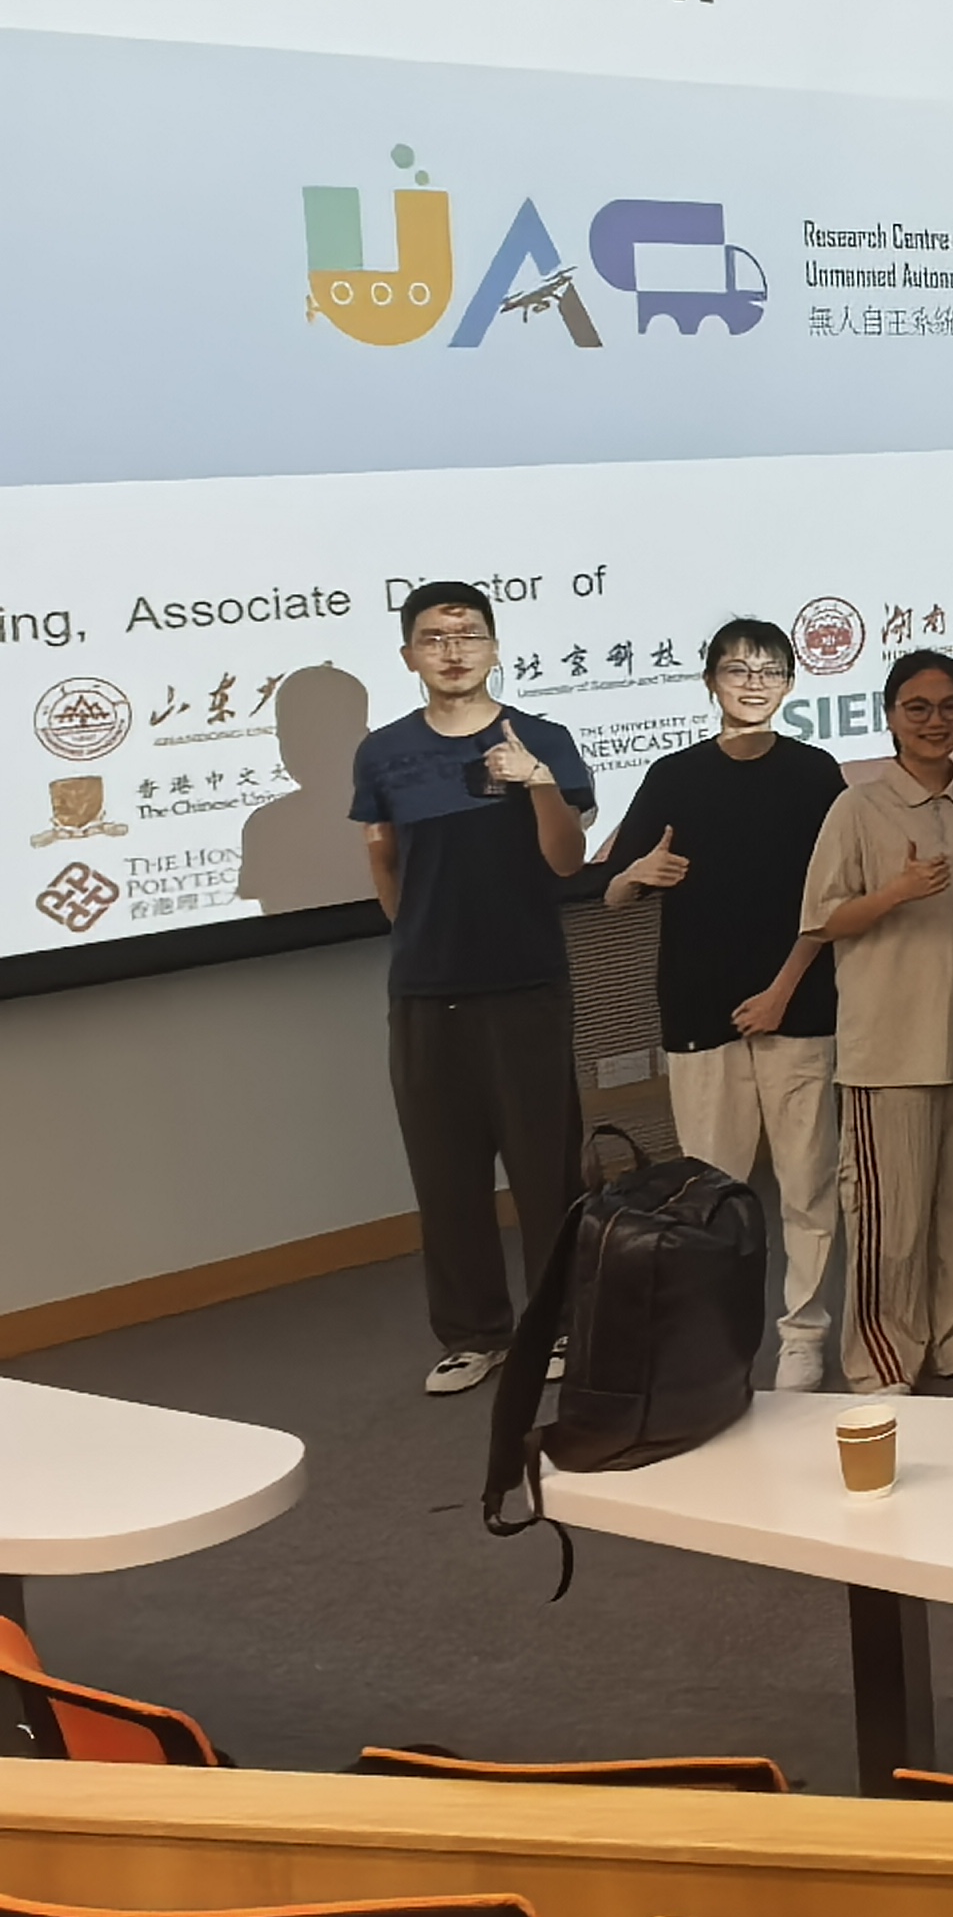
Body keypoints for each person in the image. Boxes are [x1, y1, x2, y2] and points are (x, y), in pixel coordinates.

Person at [351, 581, 594, 1396]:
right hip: (426, 992)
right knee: (445, 1173)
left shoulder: (543, 739)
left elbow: (567, 860)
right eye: (434, 637)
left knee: (547, 1171)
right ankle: (473, 1333)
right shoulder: (382, 753)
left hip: (526, 982)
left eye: (469, 635)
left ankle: (564, 1324)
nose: (453, 650)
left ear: (494, 648)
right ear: (408, 656)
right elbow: (384, 862)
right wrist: (422, 940)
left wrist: (537, 781)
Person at [598, 617, 847, 1389]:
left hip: (799, 1007)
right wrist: (637, 874)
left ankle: (803, 1333)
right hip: (700, 1012)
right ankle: (719, 1338)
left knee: (808, 1183)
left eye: (770, 670)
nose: (753, 683)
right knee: (711, 1193)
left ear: (791, 684)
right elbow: (612, 892)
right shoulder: (674, 775)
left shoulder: (815, 773)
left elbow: (835, 898)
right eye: (737, 669)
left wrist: (781, 992)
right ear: (710, 681)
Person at [801, 651, 953, 1394]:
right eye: (918, 708)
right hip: (891, 1047)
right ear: (890, 717)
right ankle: (884, 1355)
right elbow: (823, 921)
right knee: (892, 1217)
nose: (935, 721)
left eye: (949, 707)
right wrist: (896, 893)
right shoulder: (857, 808)